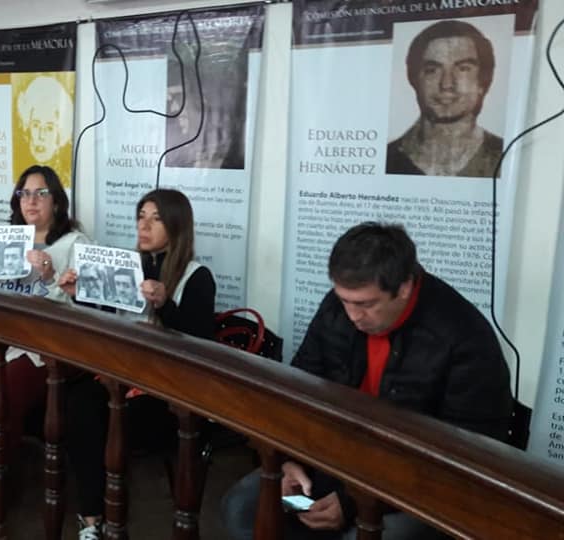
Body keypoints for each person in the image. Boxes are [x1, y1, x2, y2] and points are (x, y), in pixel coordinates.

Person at [221, 222, 512, 540]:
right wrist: (287, 459)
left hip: (413, 489)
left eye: (366, 304)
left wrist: (353, 503)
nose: (353, 315)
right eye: (344, 300)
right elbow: (299, 390)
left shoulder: (465, 338)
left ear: (404, 287)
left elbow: (463, 459)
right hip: (332, 464)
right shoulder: (337, 308)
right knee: (241, 508)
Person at [56, 189, 216, 539]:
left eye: (156, 219)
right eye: (141, 217)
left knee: (112, 421)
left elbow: (202, 344)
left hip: (168, 391)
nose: (144, 226)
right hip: (121, 374)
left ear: (177, 225)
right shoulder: (130, 264)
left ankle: (115, 521)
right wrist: (79, 294)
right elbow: (109, 311)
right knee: (78, 406)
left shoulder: (196, 276)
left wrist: (165, 305)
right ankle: (92, 521)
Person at [0, 164, 89, 528]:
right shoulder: (4, 237)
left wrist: (50, 276)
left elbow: (84, 308)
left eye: (41, 193)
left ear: (57, 201)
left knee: (2, 398)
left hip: (41, 343)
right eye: (24, 193)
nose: (31, 201)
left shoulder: (76, 244)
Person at [386, 20, 503, 178]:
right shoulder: (387, 159)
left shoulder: (506, 156)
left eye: (463, 69)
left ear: (483, 80)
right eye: (432, 70)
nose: (447, 84)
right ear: (414, 79)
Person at [15, 76, 73, 180]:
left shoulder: (67, 177)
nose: (41, 136)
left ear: (60, 133)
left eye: (49, 128)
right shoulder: (17, 170)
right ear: (27, 128)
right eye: (36, 125)